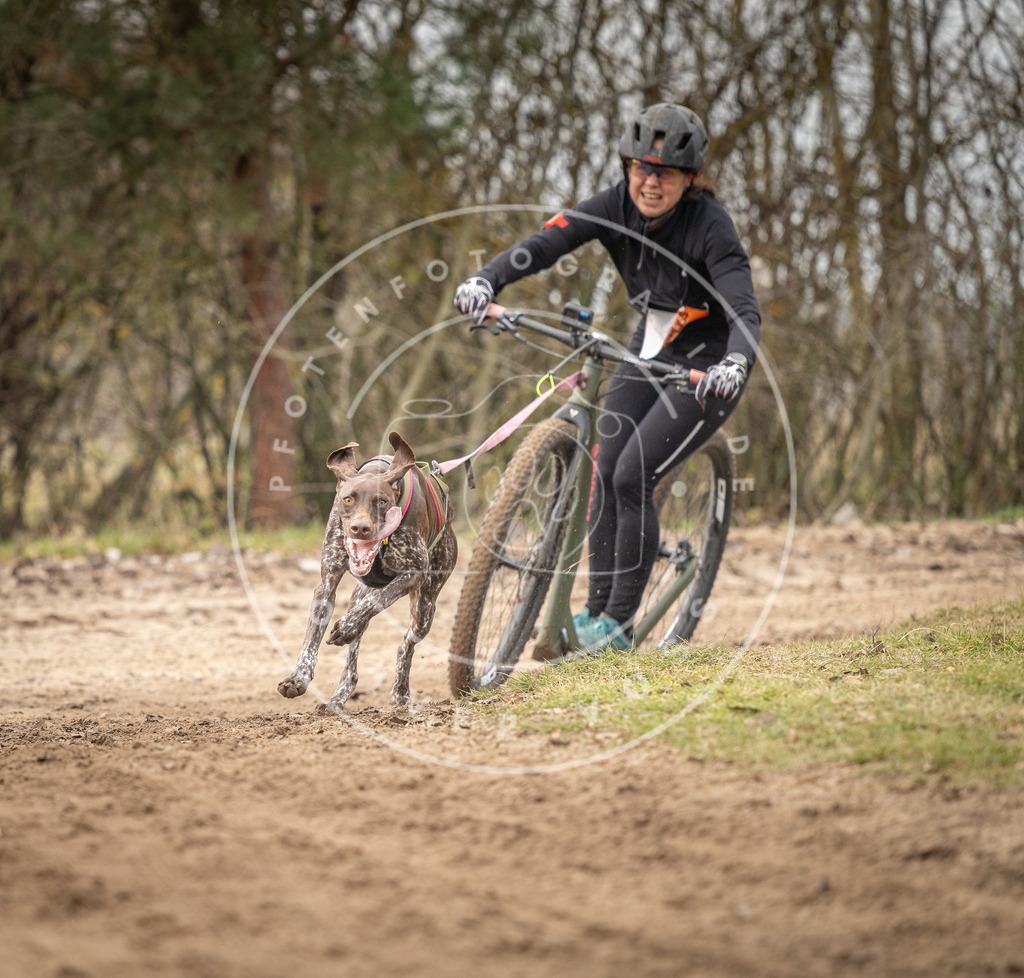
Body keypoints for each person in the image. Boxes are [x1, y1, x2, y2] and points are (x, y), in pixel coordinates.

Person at [454, 102, 761, 654]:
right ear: (627, 167)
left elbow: (742, 306)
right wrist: (487, 279)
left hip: (709, 357)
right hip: (654, 337)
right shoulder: (615, 203)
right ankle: (594, 616)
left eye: (665, 172)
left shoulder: (710, 225)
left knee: (632, 473)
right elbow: (550, 241)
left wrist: (734, 363)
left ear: (689, 179)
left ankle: (616, 628)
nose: (650, 180)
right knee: (607, 464)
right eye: (641, 167)